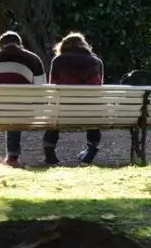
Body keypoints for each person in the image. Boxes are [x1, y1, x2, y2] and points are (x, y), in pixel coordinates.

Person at [0, 31, 46, 167]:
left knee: (10, 106)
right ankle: (13, 156)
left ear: (0, 45)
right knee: (17, 107)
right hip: (23, 111)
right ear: (20, 44)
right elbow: (41, 88)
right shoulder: (33, 59)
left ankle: (11, 156)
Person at [42, 33, 105, 165]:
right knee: (94, 108)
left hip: (63, 109)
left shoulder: (58, 60)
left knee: (54, 111)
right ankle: (91, 148)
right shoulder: (96, 61)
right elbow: (98, 88)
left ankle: (50, 153)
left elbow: (53, 87)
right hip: (89, 111)